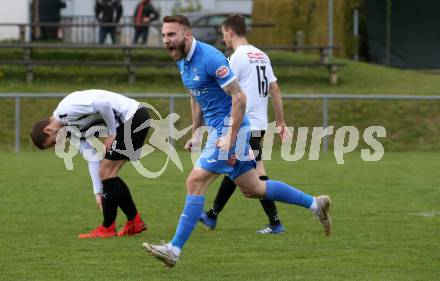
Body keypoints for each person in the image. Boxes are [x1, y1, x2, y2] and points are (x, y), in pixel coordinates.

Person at [142, 15, 332, 268]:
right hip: (220, 131)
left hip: (232, 130)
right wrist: (197, 133)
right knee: (253, 188)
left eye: (172, 35)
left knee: (195, 180)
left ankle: (174, 249)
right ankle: (314, 204)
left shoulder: (211, 58)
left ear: (187, 35)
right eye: (164, 36)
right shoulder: (182, 61)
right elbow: (196, 97)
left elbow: (240, 98)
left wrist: (229, 138)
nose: (166, 40)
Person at [198, 14, 289, 235]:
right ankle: (213, 215)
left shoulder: (237, 57)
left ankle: (276, 222)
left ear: (230, 31)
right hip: (259, 123)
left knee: (247, 172)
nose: (223, 39)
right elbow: (274, 89)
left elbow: (224, 90)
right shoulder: (262, 55)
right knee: (243, 169)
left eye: (223, 34)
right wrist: (280, 121)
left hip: (245, 124)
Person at [30, 89, 149, 238]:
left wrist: (112, 132)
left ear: (48, 130)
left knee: (107, 172)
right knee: (108, 173)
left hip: (133, 117)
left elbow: (102, 104)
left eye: (53, 142)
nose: (58, 144)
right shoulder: (71, 132)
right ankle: (134, 221)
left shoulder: (67, 109)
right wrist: (98, 191)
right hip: (132, 120)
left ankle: (108, 228)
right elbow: (92, 157)